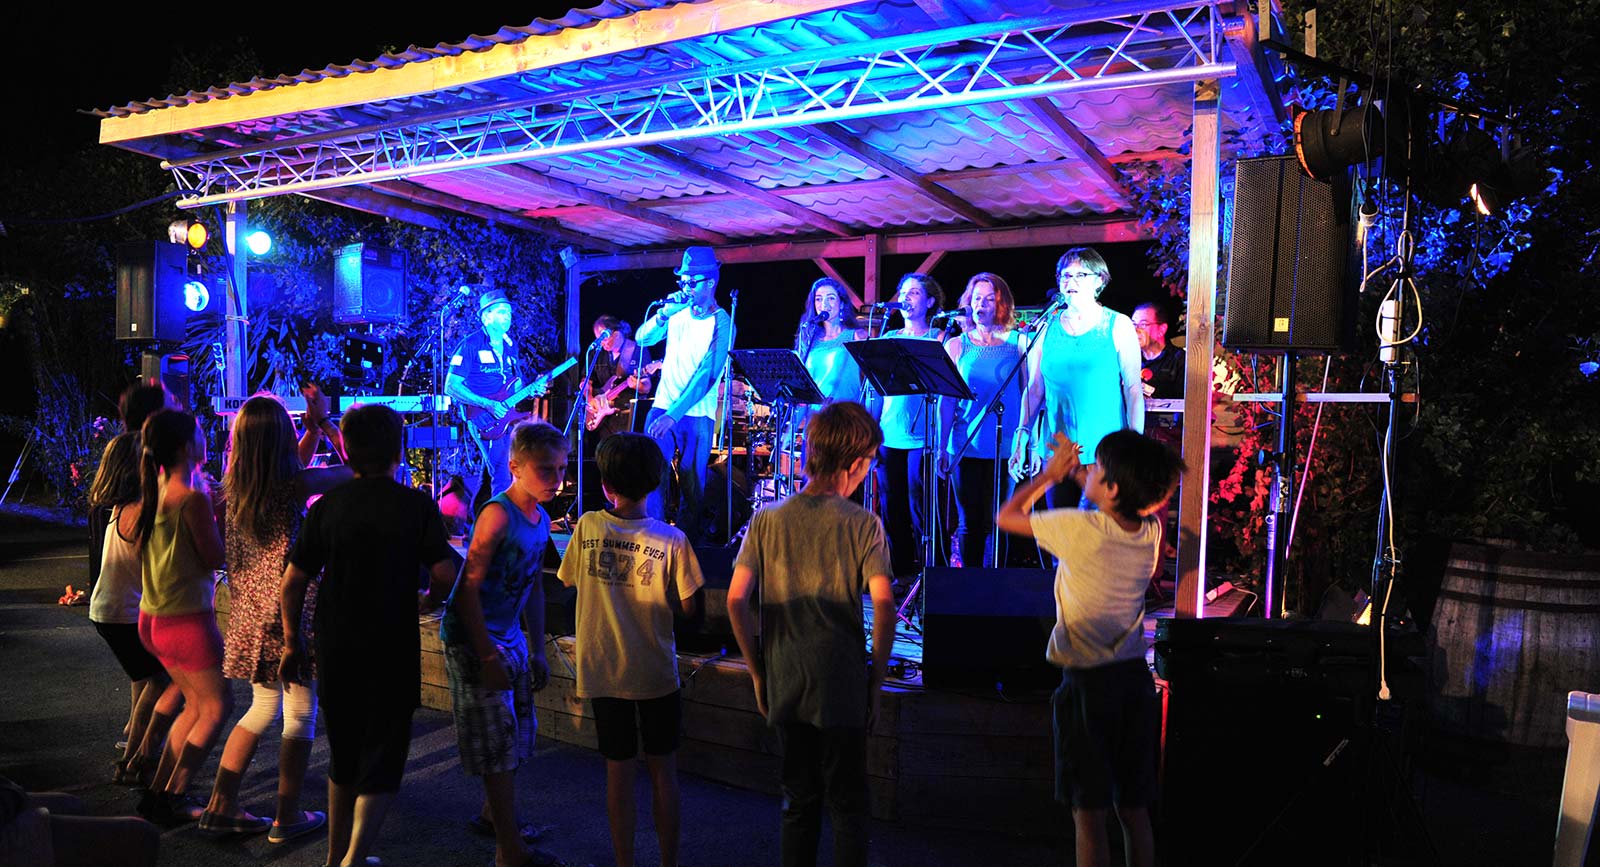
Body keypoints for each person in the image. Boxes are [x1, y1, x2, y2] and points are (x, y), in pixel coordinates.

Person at [279, 404, 459, 867]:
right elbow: (444, 571)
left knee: (343, 749)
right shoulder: (416, 505)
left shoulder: (328, 507)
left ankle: (334, 856)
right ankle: (353, 860)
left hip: (336, 641)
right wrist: (429, 601)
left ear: (348, 450)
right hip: (390, 646)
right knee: (384, 754)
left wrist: (290, 641)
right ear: (398, 448)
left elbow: (293, 581)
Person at [995, 429, 1185, 867]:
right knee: (1134, 810)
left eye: (1097, 469)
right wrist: (1079, 472)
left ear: (1114, 487)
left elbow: (1007, 516)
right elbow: (1113, 497)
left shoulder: (1080, 530)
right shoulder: (1150, 532)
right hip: (1134, 683)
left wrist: (1049, 475)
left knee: (1089, 814)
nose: (1089, 473)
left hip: (1086, 688)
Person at [726, 402, 895, 867]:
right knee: (848, 806)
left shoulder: (767, 519)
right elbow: (884, 606)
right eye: (871, 463)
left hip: (785, 678)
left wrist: (758, 673)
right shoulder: (865, 525)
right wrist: (875, 685)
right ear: (857, 463)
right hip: (840, 685)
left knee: (798, 801)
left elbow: (736, 600)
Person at [198, 395, 352, 840]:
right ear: (283, 439)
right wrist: (323, 424)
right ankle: (287, 815)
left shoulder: (233, 490)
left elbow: (287, 466)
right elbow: (356, 472)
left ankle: (220, 802)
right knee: (300, 712)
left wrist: (308, 433)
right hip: (292, 615)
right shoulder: (294, 487)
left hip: (249, 613)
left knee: (262, 709)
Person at [557, 432, 704, 867]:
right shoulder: (671, 540)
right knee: (664, 772)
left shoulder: (586, 526)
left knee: (617, 773)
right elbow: (691, 606)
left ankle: (625, 862)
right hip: (655, 671)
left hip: (603, 671)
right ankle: (668, 862)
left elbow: (568, 580)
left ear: (605, 485)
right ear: (657, 482)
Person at [439, 420, 568, 867]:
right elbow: (468, 589)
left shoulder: (541, 518)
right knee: (496, 740)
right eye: (547, 470)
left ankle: (497, 815)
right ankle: (508, 849)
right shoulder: (497, 515)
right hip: (474, 639)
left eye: (561, 469)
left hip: (507, 637)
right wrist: (487, 653)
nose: (558, 480)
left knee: (517, 734)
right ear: (515, 466)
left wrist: (535, 648)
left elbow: (533, 585)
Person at [131, 410, 228, 828]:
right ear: (187, 446)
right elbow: (214, 557)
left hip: (153, 617)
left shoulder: (154, 491)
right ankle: (175, 792)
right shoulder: (191, 499)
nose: (206, 436)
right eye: (200, 432)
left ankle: (160, 793)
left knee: (193, 705)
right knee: (217, 708)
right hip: (186, 620)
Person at [1011, 248, 1144, 509]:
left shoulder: (1117, 325)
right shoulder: (1046, 327)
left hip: (1104, 455)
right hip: (1058, 454)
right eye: (1065, 275)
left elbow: (1133, 389)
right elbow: (1034, 388)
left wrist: (1134, 447)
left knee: (1097, 540)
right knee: (1062, 540)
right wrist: (1022, 434)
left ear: (1099, 281)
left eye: (1080, 275)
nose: (1070, 281)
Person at [86, 432, 176, 788]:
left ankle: (132, 742)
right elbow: (153, 565)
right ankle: (136, 759)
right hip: (124, 613)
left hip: (109, 610)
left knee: (144, 677)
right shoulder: (140, 510)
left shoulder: (121, 506)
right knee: (162, 679)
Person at [636, 246, 735, 545]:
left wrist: (673, 415)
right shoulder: (676, 312)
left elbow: (705, 378)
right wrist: (663, 315)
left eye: (692, 282)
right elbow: (642, 339)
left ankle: (685, 544)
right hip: (663, 404)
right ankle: (652, 537)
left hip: (697, 414)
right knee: (653, 470)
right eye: (683, 281)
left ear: (710, 283)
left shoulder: (723, 323)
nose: (686, 287)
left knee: (693, 481)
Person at [940, 272, 1027, 569]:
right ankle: (971, 588)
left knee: (1000, 522)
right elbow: (947, 400)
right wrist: (940, 447)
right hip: (965, 446)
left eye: (989, 299)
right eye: (976, 298)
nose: (981, 305)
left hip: (1005, 448)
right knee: (969, 523)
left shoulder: (1019, 344)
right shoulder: (955, 346)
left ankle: (997, 590)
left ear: (1001, 304)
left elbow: (1030, 393)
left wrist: (1027, 439)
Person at [873, 272, 946, 579]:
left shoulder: (940, 339)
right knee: (893, 510)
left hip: (923, 437)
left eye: (914, 293)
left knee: (922, 511)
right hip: (889, 436)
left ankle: (932, 578)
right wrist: (871, 434)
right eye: (903, 292)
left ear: (930, 301)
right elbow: (876, 391)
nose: (905, 297)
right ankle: (902, 575)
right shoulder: (888, 339)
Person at [446, 288, 547, 507]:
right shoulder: (470, 344)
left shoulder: (511, 346)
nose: (507, 317)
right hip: (482, 416)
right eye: (502, 312)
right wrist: (488, 404)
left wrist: (532, 389)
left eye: (509, 313)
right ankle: (499, 529)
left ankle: (475, 526)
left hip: (504, 418)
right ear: (486, 316)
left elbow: (516, 383)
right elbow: (451, 386)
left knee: (493, 470)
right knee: (501, 470)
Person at [794, 277, 869, 407]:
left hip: (846, 417)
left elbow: (872, 383)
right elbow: (803, 395)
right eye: (818, 299)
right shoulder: (809, 338)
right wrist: (792, 426)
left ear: (842, 304)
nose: (824, 304)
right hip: (815, 419)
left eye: (831, 298)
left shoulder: (856, 336)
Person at [583, 315, 654, 444]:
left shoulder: (637, 350)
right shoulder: (597, 353)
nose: (602, 342)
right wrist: (590, 400)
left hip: (627, 416)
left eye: (604, 337)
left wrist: (636, 385)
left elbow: (647, 386)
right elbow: (586, 382)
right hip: (605, 421)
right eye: (599, 339)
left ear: (616, 332)